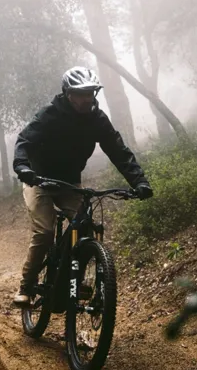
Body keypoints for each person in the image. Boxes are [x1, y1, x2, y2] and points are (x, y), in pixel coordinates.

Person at [12, 66, 154, 306]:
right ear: (69, 94)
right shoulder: (50, 114)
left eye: (91, 93)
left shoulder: (97, 120)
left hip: (69, 183)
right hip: (38, 180)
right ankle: (26, 286)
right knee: (45, 232)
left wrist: (139, 181)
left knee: (85, 228)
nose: (87, 98)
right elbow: (24, 141)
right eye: (82, 93)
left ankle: (74, 280)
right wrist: (23, 168)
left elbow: (119, 151)